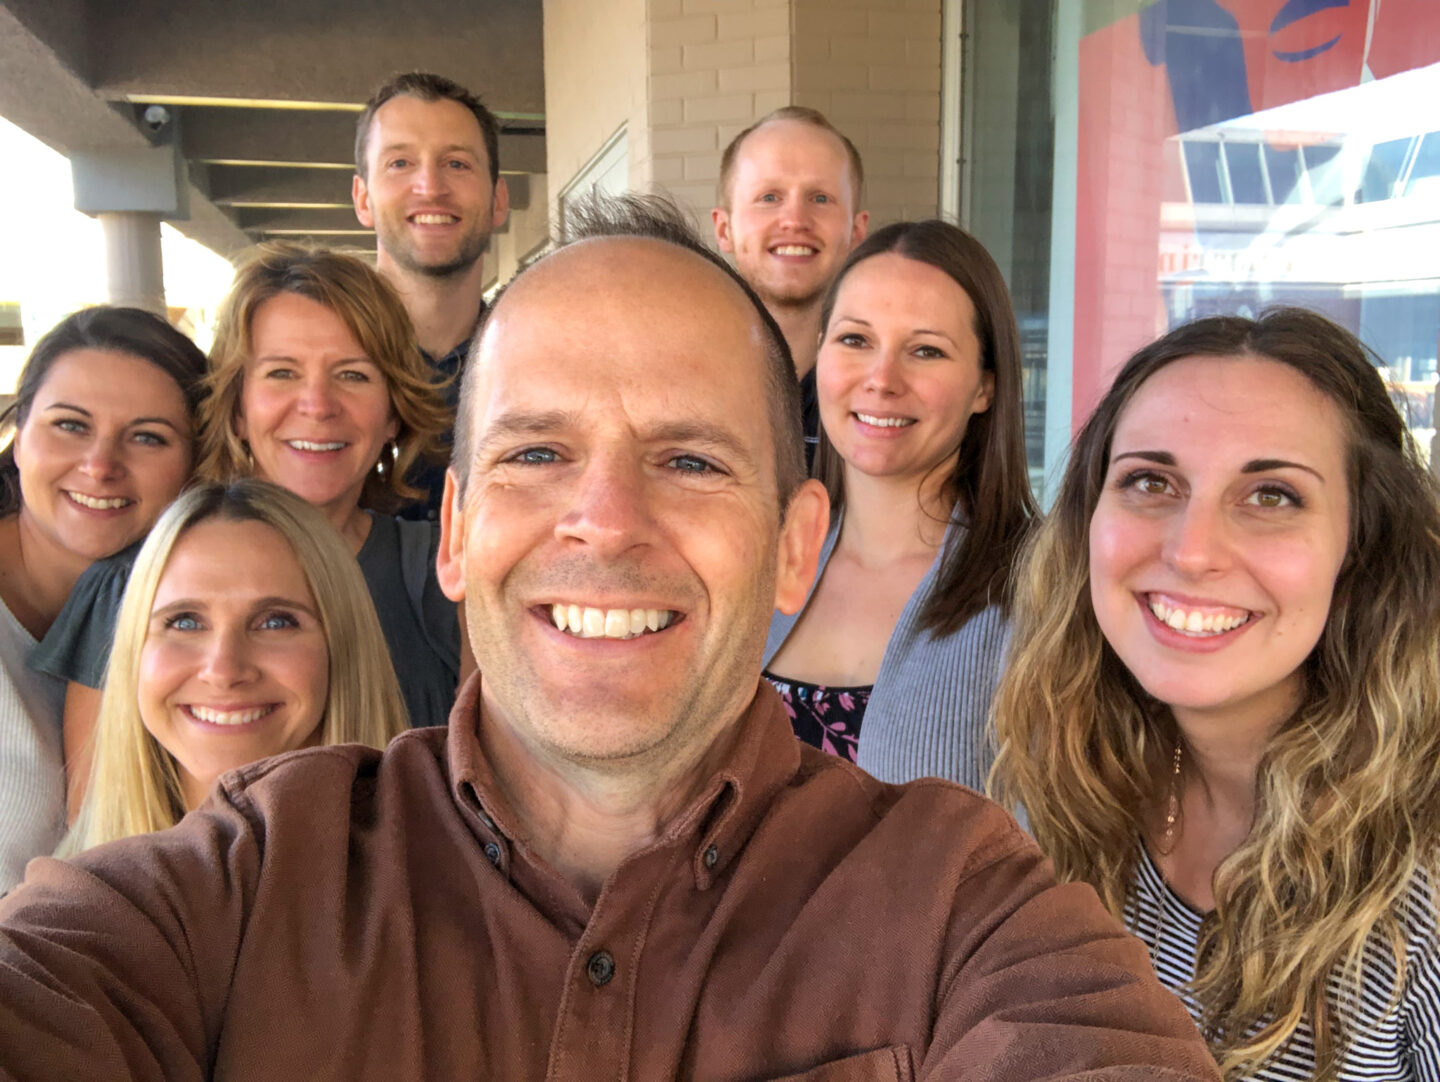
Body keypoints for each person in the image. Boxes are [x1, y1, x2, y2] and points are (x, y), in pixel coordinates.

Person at [0, 195, 1220, 1081]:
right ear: (455, 532)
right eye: (537, 452)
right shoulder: (257, 873)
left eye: (688, 459)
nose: (606, 521)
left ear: (799, 544)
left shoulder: (953, 898)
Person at [991, 309, 1440, 1079]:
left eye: (1271, 496)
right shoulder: (1079, 781)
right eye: (1150, 481)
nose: (1191, 550)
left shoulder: (1421, 884)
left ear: (1360, 549)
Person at [34, 244, 460, 740]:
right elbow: (107, 811)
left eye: (353, 375)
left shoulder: (445, 577)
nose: (318, 405)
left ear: (393, 412)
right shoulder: (133, 584)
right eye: (282, 372)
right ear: (237, 408)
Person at [763, 221, 1036, 788]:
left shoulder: (1041, 590)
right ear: (820, 356)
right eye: (855, 340)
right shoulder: (761, 556)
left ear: (985, 386)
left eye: (927, 350)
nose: (882, 379)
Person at [61, 480, 407, 853]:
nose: (223, 670)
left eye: (275, 622)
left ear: (342, 647)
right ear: (135, 653)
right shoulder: (64, 902)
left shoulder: (435, 892)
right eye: (185, 622)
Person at [0, 306, 205, 890]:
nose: (100, 465)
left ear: (192, 467)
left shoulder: (190, 624)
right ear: (18, 436)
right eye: (70, 425)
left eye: (147, 437)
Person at [352, 71, 509, 518]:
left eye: (457, 163)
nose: (431, 187)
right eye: (400, 163)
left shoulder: (539, 363)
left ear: (499, 200)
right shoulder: (313, 372)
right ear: (363, 199)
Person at [713, 106, 869, 459]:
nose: (795, 220)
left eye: (820, 198)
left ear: (857, 230)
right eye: (769, 197)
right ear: (725, 229)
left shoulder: (883, 396)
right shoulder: (675, 381)